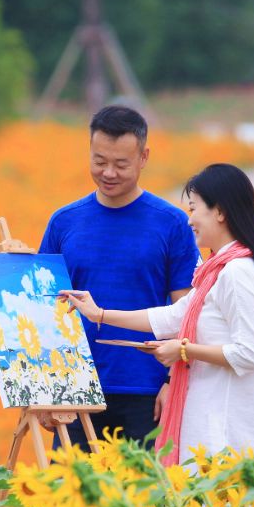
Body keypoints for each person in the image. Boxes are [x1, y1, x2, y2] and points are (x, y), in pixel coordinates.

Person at [63, 163, 254, 465]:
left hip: (226, 431)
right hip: (208, 423)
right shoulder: (215, 272)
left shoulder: (237, 273)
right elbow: (171, 317)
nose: (189, 220)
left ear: (219, 212)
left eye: (194, 209)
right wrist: (98, 314)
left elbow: (251, 353)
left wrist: (184, 350)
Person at [39, 105, 200, 451]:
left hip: (147, 392)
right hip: (75, 391)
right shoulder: (64, 222)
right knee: (71, 485)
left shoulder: (172, 224)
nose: (108, 172)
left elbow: (187, 311)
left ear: (144, 157)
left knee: (144, 487)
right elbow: (45, 310)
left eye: (121, 164)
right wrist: (44, 389)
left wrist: (172, 381)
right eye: (99, 161)